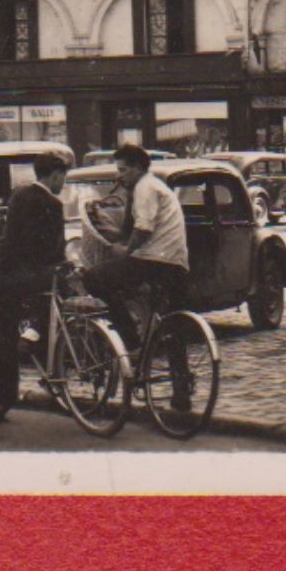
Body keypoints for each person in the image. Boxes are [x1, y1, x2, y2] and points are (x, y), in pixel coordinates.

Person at [79, 144, 193, 410]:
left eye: (123, 170)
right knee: (174, 325)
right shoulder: (153, 188)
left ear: (138, 168)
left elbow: (142, 228)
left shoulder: (144, 188)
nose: (120, 176)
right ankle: (181, 392)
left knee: (94, 278)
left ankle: (129, 336)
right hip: (176, 264)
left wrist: (125, 252)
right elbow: (129, 230)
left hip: (153, 261)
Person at [0, 152, 72, 425]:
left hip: (3, 270)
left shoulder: (19, 194)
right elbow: (50, 246)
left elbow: (20, 237)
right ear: (55, 175)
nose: (63, 183)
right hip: (24, 271)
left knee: (4, 332)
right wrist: (63, 264)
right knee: (62, 290)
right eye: (62, 177)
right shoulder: (52, 204)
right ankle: (33, 334)